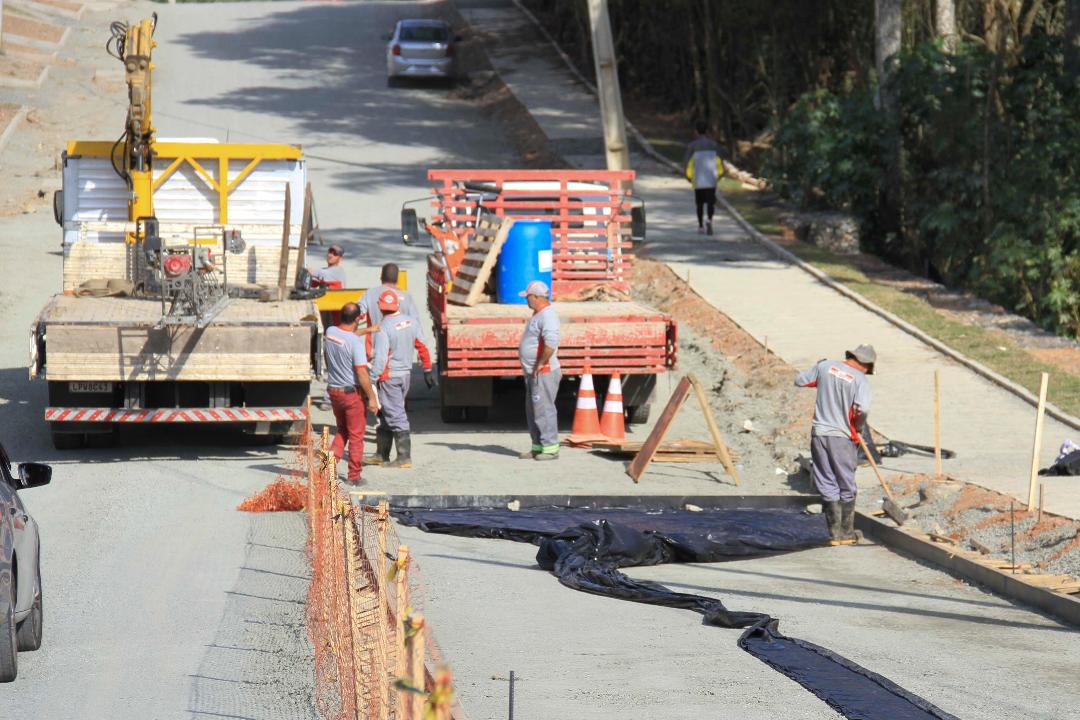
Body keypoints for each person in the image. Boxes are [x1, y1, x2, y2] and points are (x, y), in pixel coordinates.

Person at [794, 344, 876, 545]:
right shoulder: (860, 380)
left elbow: (800, 380)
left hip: (819, 434)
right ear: (866, 365)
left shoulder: (825, 366)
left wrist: (818, 366)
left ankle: (834, 535)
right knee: (846, 481)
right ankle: (846, 533)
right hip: (842, 436)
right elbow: (862, 408)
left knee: (826, 479)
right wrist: (858, 426)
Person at [366, 289, 435, 469]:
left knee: (396, 415)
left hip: (389, 377)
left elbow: (381, 358)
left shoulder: (384, 328)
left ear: (380, 307)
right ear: (397, 305)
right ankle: (381, 454)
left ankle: (404, 457)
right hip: (404, 375)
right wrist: (427, 369)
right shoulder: (411, 322)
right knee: (387, 412)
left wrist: (371, 378)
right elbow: (422, 346)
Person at [323, 302, 380, 485]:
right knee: (356, 436)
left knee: (342, 430)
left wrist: (367, 330)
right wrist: (372, 397)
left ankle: (327, 469)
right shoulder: (355, 343)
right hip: (351, 395)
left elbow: (347, 336)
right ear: (358, 318)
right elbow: (362, 373)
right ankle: (354, 476)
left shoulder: (331, 332)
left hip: (334, 392)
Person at [517, 281, 561, 461]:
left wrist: (540, 364)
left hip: (543, 372)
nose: (526, 300)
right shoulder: (538, 314)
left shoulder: (548, 316)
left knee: (544, 410)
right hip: (533, 372)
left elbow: (550, 344)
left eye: (527, 296)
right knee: (533, 411)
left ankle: (550, 448)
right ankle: (537, 446)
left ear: (536, 297)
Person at [356, 262, 421, 335]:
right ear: (397, 279)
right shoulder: (407, 297)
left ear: (381, 276)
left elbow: (356, 315)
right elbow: (416, 325)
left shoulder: (369, 294)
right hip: (400, 343)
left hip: (375, 343)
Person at [683, 121, 723, 236]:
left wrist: (688, 177)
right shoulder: (714, 145)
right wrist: (718, 176)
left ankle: (700, 225)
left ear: (696, 131)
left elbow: (687, 163)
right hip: (711, 179)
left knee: (699, 203)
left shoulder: (692, 146)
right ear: (707, 131)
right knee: (711, 202)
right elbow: (719, 162)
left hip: (698, 178)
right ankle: (709, 220)